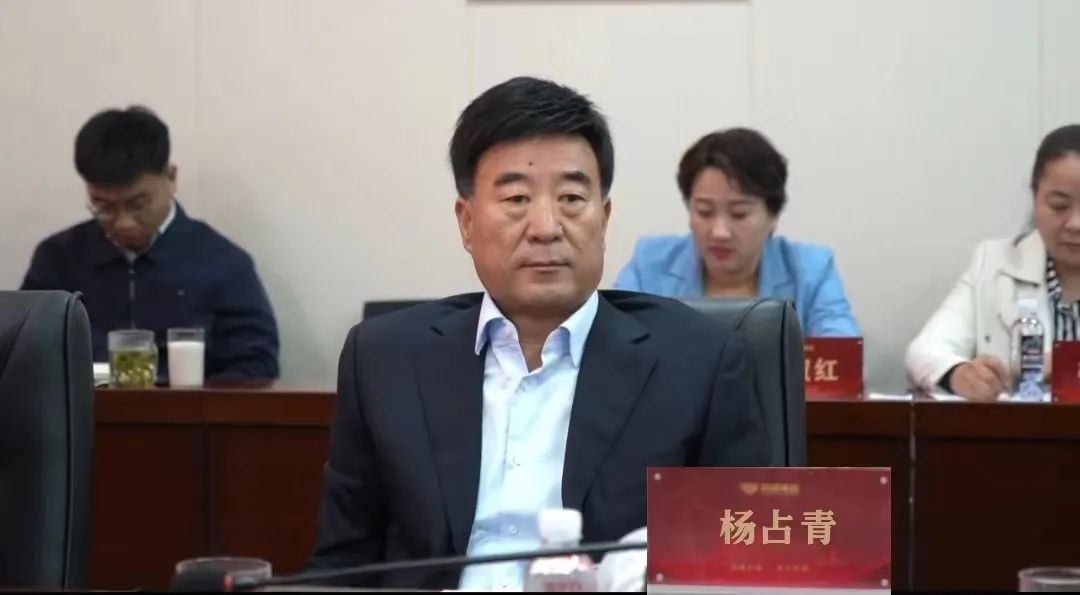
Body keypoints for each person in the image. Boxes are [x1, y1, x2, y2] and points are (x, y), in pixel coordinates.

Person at [308, 77, 770, 590]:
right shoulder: (384, 360)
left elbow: (745, 562)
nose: (546, 226)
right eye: (516, 198)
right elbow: (341, 569)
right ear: (466, 222)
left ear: (604, 219)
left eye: (571, 197)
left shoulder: (699, 363)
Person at [21, 106, 280, 380]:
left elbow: (256, 369)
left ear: (171, 177)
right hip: (80, 407)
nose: (123, 223)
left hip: (189, 407)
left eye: (138, 204)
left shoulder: (224, 264)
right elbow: (23, 355)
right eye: (104, 207)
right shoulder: (58, 258)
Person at [614, 128, 859, 337]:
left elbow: (841, 356)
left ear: (773, 216)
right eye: (704, 212)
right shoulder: (649, 265)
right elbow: (613, 346)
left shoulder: (812, 271)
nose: (719, 232)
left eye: (739, 214)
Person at [906, 124, 1080, 400]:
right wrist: (961, 375)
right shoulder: (993, 262)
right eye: (1059, 206)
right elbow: (924, 352)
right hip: (1022, 427)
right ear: (1035, 197)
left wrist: (1065, 366)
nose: (1075, 224)